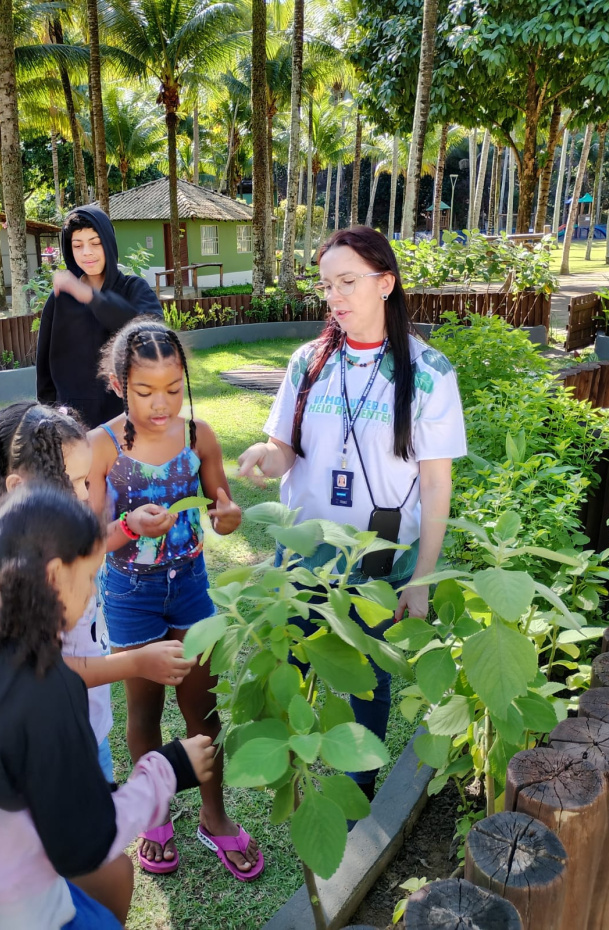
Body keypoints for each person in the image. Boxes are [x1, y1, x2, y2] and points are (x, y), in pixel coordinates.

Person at [238, 226, 467, 801]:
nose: (334, 297)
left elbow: (436, 486)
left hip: (379, 562)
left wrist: (423, 579)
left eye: (347, 282)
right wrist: (266, 456)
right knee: (293, 660)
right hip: (303, 556)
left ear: (385, 283)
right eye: (326, 286)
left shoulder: (429, 372)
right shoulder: (309, 362)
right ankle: (290, 777)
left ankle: (356, 790)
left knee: (366, 677)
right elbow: (286, 448)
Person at [0, 484, 215, 929]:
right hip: (12, 912)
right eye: (91, 576)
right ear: (56, 576)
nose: (93, 589)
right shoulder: (45, 687)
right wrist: (170, 769)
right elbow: (84, 842)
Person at [89, 318, 263, 880]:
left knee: (201, 707)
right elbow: (89, 541)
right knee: (144, 711)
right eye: (144, 392)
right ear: (119, 385)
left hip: (189, 587)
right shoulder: (102, 446)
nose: (161, 405)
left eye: (172, 389)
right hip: (128, 593)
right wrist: (130, 526)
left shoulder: (199, 437)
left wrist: (228, 514)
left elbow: (224, 513)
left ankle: (214, 817)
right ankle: (155, 817)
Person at [0, 401, 196, 783]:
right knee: (89, 835)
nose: (85, 496)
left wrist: (130, 526)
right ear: (19, 486)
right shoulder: (19, 572)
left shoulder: (41, 534)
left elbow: (89, 548)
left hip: (82, 724)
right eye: (72, 483)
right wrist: (136, 663)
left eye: (87, 482)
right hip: (50, 739)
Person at [36, 206, 163, 429]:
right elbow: (45, 365)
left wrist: (89, 296)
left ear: (109, 243)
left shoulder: (133, 288)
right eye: (78, 245)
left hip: (126, 418)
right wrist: (49, 416)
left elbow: (151, 334)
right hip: (72, 424)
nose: (87, 252)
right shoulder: (60, 298)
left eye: (95, 243)